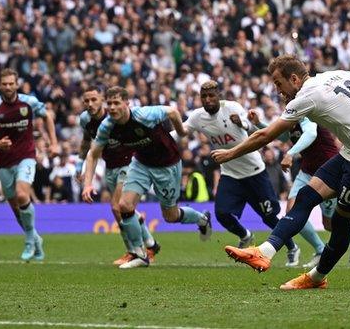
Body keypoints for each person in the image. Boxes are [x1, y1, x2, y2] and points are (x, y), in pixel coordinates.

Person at [212, 55, 350, 290]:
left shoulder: (307, 96)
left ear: (294, 79)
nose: (278, 90)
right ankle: (264, 252)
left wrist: (230, 153)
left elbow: (266, 136)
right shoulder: (335, 75)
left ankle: (316, 278)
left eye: (278, 83)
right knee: (306, 196)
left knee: (339, 224)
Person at [82, 86, 211, 269]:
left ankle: (202, 219)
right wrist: (87, 184)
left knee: (171, 216)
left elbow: (173, 112)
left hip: (167, 165)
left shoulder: (144, 115)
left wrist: (181, 132)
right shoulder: (107, 126)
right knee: (124, 205)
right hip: (141, 163)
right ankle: (140, 254)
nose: (112, 107)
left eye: (116, 103)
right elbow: (94, 154)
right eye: (109, 103)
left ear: (126, 103)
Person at [182, 81, 299, 265]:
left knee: (269, 217)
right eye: (204, 96)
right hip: (230, 174)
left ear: (218, 95)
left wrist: (242, 123)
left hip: (254, 172)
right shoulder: (197, 117)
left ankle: (292, 247)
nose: (208, 99)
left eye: (211, 95)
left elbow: (248, 125)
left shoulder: (231, 108)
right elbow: (182, 130)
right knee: (221, 213)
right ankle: (245, 235)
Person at [248, 112, 350, 268]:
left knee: (329, 225)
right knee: (292, 211)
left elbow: (311, 133)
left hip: (328, 174)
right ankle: (319, 248)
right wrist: (259, 123)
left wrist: (290, 153)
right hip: (306, 172)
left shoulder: (307, 114)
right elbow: (283, 137)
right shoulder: (291, 118)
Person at [77, 87, 160, 265]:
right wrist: (79, 164)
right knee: (123, 210)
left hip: (130, 163)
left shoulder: (115, 115)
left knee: (116, 206)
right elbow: (86, 142)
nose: (90, 104)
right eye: (86, 101)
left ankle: (134, 251)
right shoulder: (85, 120)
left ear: (102, 100)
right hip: (110, 166)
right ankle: (151, 244)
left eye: (94, 99)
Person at [0, 68, 59, 261]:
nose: (8, 87)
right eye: (5, 84)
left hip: (26, 156)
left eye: (11, 83)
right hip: (4, 161)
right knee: (16, 209)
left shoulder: (29, 102)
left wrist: (54, 142)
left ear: (17, 84)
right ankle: (36, 239)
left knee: (22, 194)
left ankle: (28, 240)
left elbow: (48, 116)